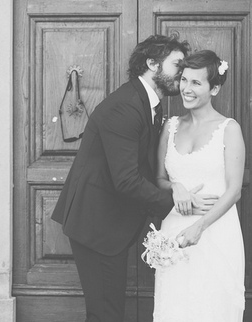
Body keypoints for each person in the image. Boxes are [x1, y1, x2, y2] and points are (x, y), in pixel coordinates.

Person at [51, 34, 219, 322]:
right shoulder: (126, 107)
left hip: (110, 223)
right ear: (152, 63)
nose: (182, 74)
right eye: (176, 65)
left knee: (110, 309)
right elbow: (127, 180)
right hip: (96, 225)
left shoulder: (149, 104)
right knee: (105, 313)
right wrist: (176, 200)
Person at [153, 50, 246, 321]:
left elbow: (234, 190)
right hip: (174, 230)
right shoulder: (169, 127)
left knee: (213, 306)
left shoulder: (229, 129)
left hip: (215, 230)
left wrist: (200, 226)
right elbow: (158, 178)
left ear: (214, 88)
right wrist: (175, 188)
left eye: (196, 83)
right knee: (175, 307)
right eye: (184, 80)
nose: (186, 89)